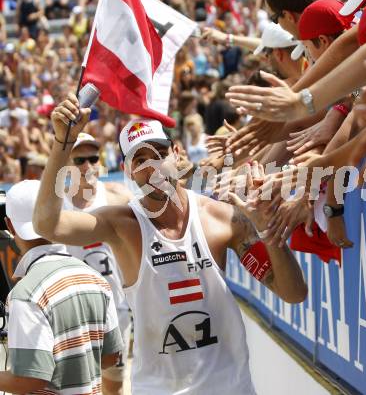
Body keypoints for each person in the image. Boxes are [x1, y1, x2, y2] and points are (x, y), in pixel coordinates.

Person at [33, 95, 308, 394]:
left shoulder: (221, 218)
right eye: (140, 159)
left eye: (159, 153)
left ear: (176, 154)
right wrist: (63, 142)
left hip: (229, 387)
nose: (152, 165)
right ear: (128, 171)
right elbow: (48, 225)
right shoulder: (124, 224)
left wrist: (268, 229)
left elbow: (293, 293)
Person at [0, 180, 123, 394]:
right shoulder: (95, 278)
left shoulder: (26, 295)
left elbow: (29, 380)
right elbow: (111, 357)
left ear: (10, 225)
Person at [63, 132, 133, 395]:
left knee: (113, 386)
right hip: (74, 314)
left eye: (93, 158)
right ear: (68, 163)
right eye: (80, 159)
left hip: (115, 309)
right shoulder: (57, 205)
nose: (87, 166)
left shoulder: (118, 196)